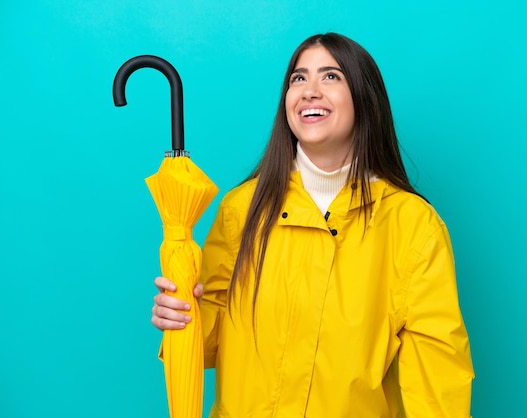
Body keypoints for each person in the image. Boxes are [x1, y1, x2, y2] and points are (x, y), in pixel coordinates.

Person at [152, 32, 474, 417]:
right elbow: (209, 343)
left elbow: (438, 378)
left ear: (364, 97)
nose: (309, 91)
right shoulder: (243, 209)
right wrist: (181, 318)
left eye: (331, 77)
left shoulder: (412, 226)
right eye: (298, 79)